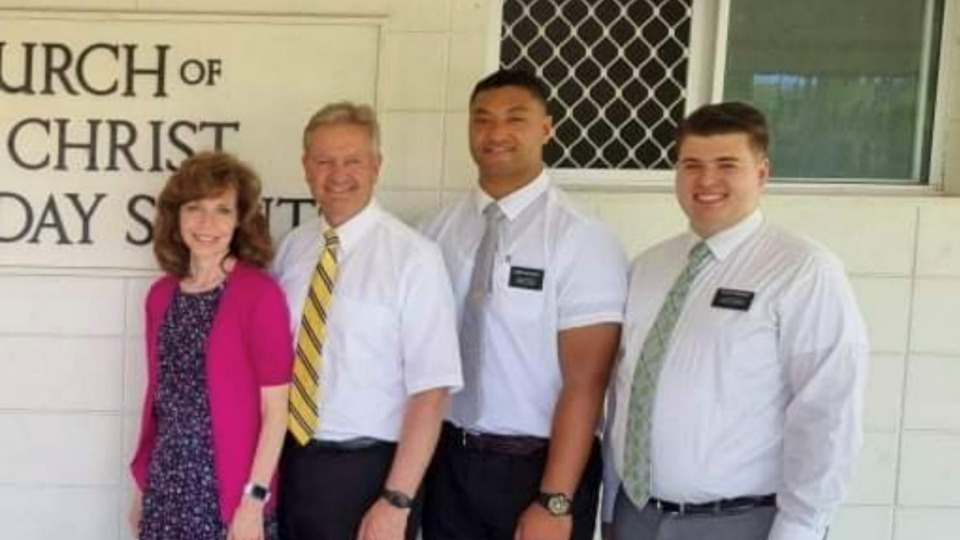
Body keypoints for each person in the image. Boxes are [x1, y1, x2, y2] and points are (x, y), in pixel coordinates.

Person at [602, 101, 869, 540]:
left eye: (727, 164)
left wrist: (800, 528)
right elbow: (624, 392)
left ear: (762, 173)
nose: (706, 180)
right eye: (691, 165)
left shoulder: (803, 270)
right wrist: (611, 509)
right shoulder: (649, 267)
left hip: (741, 523)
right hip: (637, 518)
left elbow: (828, 413)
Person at [420, 68, 628, 540]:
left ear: (546, 128)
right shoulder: (437, 232)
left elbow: (588, 380)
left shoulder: (580, 237)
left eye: (515, 118)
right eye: (482, 119)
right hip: (448, 462)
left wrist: (554, 500)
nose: (496, 133)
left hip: (535, 467)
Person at [273, 101, 462, 540]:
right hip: (294, 463)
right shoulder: (293, 250)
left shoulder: (414, 258)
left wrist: (397, 500)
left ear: (376, 166)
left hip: (370, 473)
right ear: (306, 168)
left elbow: (431, 392)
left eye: (353, 160)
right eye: (324, 161)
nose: (338, 174)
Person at [129, 151, 293, 540]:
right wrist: (142, 487)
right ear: (177, 216)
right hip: (166, 488)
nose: (207, 223)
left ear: (239, 220)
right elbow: (160, 401)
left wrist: (254, 501)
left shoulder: (259, 295)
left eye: (222, 210)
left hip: (230, 497)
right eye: (194, 208)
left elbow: (276, 411)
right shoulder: (161, 295)